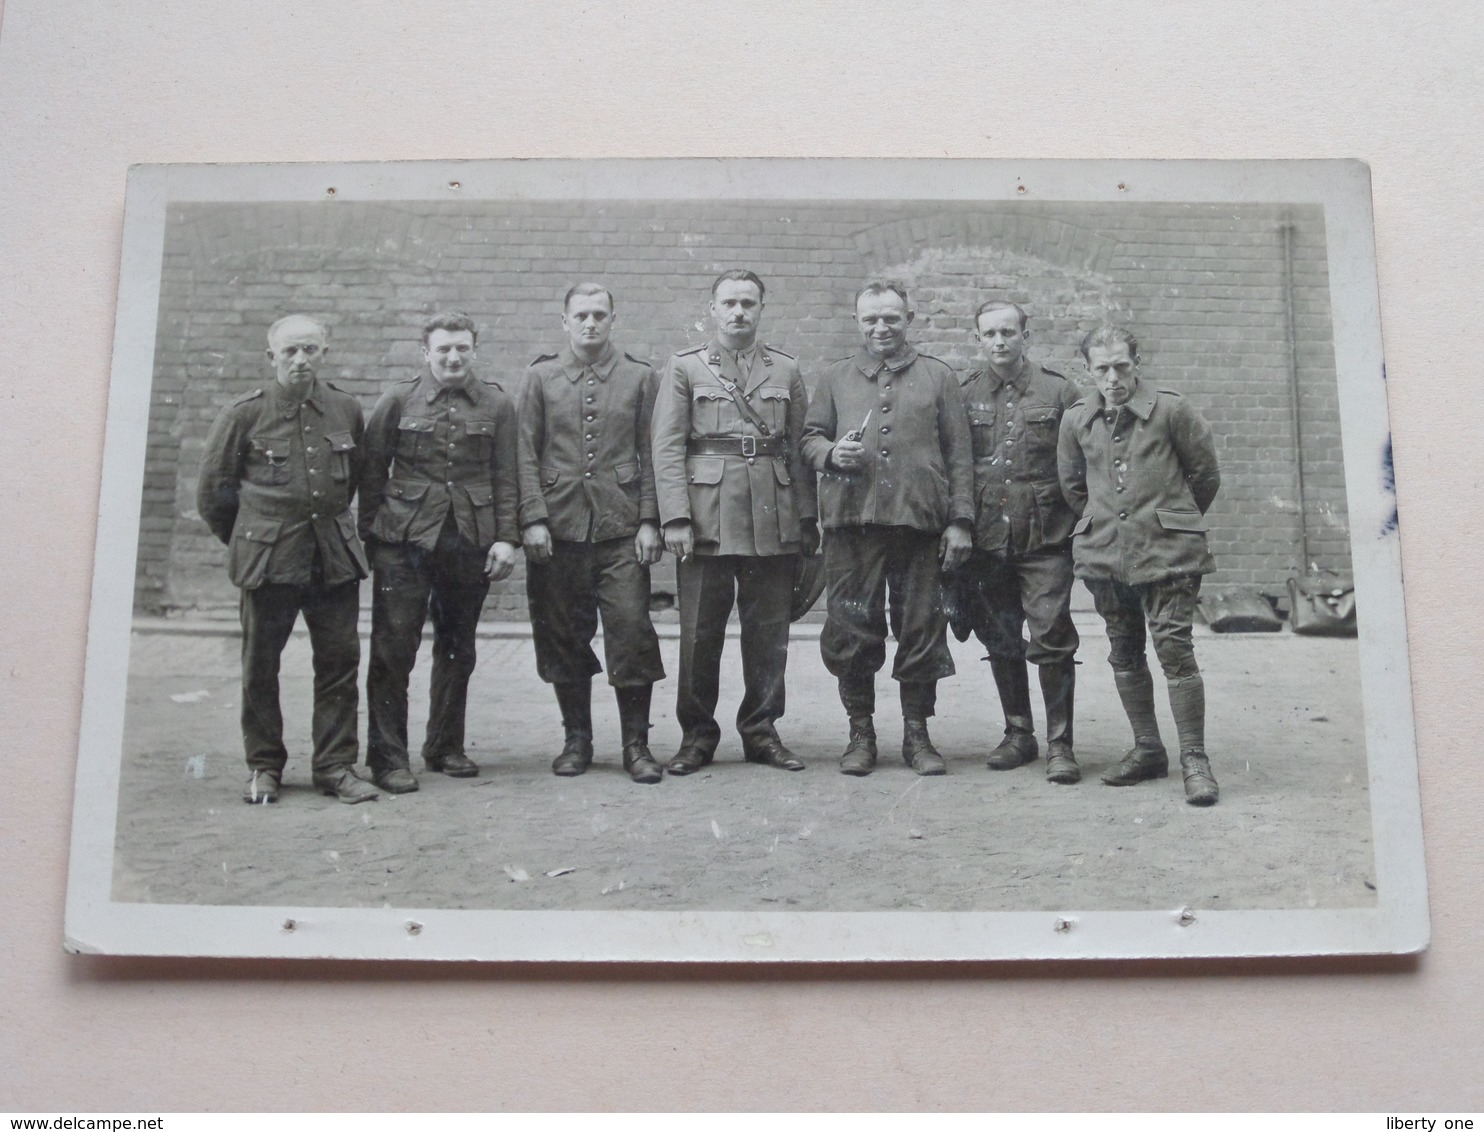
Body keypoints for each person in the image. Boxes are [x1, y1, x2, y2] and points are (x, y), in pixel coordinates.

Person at [197, 314, 378, 804]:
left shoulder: (344, 409)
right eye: (291, 351)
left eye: (311, 351)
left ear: (324, 353)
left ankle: (336, 767)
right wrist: (254, 541)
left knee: (339, 663)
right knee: (261, 666)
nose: (301, 360)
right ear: (271, 356)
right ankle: (264, 767)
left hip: (332, 561)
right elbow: (214, 495)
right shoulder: (244, 416)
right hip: (269, 563)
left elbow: (355, 478)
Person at [801, 281, 974, 776]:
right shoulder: (835, 377)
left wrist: (960, 521)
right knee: (852, 627)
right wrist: (831, 453)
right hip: (851, 525)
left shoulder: (939, 377)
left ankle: (917, 735)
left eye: (891, 318)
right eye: (871, 319)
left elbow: (960, 455)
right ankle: (861, 733)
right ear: (857, 322)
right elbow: (810, 438)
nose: (881, 328)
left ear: (909, 319)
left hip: (919, 524)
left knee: (921, 627)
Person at [651, 269, 819, 774]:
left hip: (772, 514)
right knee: (700, 632)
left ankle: (762, 732)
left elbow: (797, 447)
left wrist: (807, 519)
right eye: (729, 302)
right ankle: (697, 736)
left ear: (762, 308)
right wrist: (675, 517)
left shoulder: (786, 370)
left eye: (748, 302)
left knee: (768, 633)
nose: (739, 312)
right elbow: (667, 446)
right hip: (706, 518)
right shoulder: (685, 368)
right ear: (713, 308)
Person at [1057, 324, 1222, 805]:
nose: (1113, 378)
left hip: (1168, 553)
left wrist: (1173, 521)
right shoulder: (1077, 420)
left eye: (1121, 366)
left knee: (1174, 649)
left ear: (1137, 363)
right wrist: (1106, 524)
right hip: (1106, 553)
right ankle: (1148, 748)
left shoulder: (1171, 409)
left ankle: (1195, 758)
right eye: (1101, 369)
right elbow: (1072, 486)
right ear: (1088, 371)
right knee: (1123, 650)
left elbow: (1205, 474)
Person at [359, 310, 518, 793]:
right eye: (443, 349)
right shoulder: (398, 400)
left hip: (467, 541)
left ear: (474, 350)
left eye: (462, 348)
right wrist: (373, 538)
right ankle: (388, 758)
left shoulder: (496, 404)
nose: (453, 357)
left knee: (457, 648)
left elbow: (507, 476)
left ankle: (445, 746)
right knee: (393, 650)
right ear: (425, 353)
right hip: (404, 544)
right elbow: (370, 474)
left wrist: (506, 537)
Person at [518, 283, 666, 784]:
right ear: (564, 321)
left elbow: (654, 453)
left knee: (631, 632)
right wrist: (533, 519)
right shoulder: (540, 377)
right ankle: (576, 740)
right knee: (562, 635)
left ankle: (636, 746)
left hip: (621, 529)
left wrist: (650, 520)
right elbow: (524, 454)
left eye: (599, 315)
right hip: (557, 531)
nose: (590, 323)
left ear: (612, 320)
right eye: (580, 315)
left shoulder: (641, 378)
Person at [949, 301, 1083, 784]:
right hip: (987, 537)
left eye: (1008, 332)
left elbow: (1080, 462)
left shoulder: (1060, 390)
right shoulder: (963, 394)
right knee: (1000, 636)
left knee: (1050, 634)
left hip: (1046, 535)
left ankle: (1060, 744)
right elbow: (956, 464)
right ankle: (1018, 733)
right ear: (978, 339)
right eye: (990, 334)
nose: (999, 341)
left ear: (1026, 335)